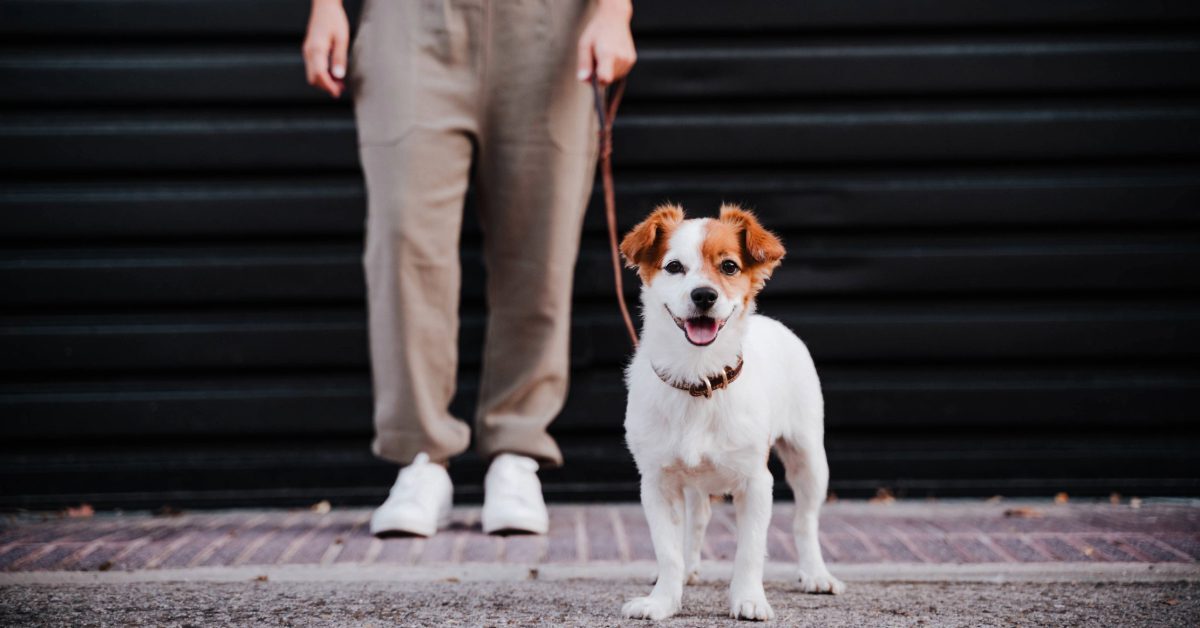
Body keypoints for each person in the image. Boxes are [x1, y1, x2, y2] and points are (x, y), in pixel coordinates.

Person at [302, 0, 636, 536]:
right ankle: (421, 458)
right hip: (408, 21)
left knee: (540, 247)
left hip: (549, 22)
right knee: (404, 241)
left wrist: (616, 11)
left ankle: (516, 453)